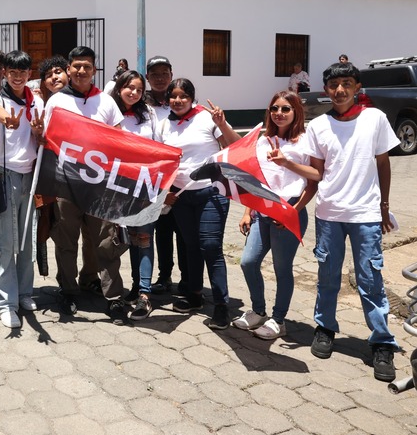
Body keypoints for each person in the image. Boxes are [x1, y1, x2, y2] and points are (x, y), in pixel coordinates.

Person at [302, 61, 400, 382]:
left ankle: (382, 342)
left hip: (366, 214)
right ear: (326, 90)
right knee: (328, 276)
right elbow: (316, 173)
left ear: (358, 87)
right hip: (329, 214)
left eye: (346, 84)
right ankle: (325, 327)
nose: (340, 90)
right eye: (333, 85)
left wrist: (384, 206)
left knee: (370, 279)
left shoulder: (375, 118)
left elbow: (383, 164)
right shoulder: (318, 126)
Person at [45, 46, 126, 324]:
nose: (81, 71)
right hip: (66, 183)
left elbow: (119, 139)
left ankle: (113, 297)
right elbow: (47, 140)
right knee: (65, 240)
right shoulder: (57, 101)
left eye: (87, 66)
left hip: (100, 185)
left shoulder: (106, 101)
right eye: (76, 66)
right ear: (68, 69)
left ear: (94, 70)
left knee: (105, 241)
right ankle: (68, 291)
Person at [234, 91, 318, 340]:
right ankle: (258, 311)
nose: (279, 113)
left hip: (290, 209)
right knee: (248, 262)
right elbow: (255, 179)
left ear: (296, 112)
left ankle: (279, 320)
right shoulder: (264, 140)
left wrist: (293, 211)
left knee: (282, 268)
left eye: (285, 109)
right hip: (262, 209)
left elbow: (314, 180)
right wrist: (247, 211)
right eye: (274, 108)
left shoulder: (305, 142)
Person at [159, 78, 240, 330]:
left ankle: (221, 305)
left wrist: (222, 123)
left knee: (210, 247)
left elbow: (235, 145)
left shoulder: (207, 118)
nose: (178, 100)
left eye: (184, 95)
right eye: (173, 96)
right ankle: (194, 295)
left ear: (192, 98)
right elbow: (162, 160)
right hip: (182, 196)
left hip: (211, 192)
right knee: (191, 246)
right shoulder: (164, 125)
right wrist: (166, 191)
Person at [0, 51, 44, 328]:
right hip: (4, 174)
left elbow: (40, 136)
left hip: (30, 175)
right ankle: (6, 304)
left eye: (23, 72)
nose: (17, 77)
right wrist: (6, 120)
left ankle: (24, 293)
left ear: (29, 74)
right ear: (5, 73)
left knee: (27, 239)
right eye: (12, 72)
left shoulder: (37, 101)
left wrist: (39, 132)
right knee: (5, 241)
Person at [37, 55, 100, 293]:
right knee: (64, 235)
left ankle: (90, 277)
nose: (54, 78)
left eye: (57, 72)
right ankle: (67, 287)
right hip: (62, 181)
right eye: (48, 75)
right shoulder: (49, 103)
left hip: (95, 181)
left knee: (93, 236)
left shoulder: (100, 100)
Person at [110, 70, 157, 321]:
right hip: (119, 186)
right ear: (119, 87)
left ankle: (145, 294)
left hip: (146, 184)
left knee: (145, 237)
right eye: (130, 87)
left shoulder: (148, 113)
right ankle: (136, 285)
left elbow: (158, 145)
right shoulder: (109, 111)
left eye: (139, 89)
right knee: (130, 238)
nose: (134, 93)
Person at [143, 55, 187, 296]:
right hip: (154, 179)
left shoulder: (179, 101)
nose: (160, 78)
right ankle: (164, 276)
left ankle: (187, 279)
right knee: (161, 231)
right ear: (147, 77)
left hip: (181, 179)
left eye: (164, 74)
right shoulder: (141, 104)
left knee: (182, 232)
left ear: (171, 75)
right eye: (154, 74)